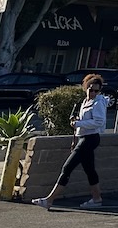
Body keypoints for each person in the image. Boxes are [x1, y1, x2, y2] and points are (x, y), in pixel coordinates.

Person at [30, 73, 108, 210]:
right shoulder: (86, 102)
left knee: (67, 168)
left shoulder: (98, 102)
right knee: (90, 170)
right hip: (84, 138)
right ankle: (97, 199)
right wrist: (76, 124)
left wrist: (78, 123)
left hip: (90, 138)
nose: (93, 92)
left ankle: (49, 200)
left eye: (97, 90)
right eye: (91, 89)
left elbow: (99, 122)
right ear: (86, 87)